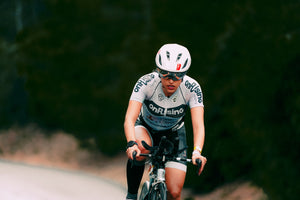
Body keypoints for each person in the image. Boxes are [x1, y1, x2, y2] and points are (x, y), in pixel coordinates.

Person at [124, 43, 207, 200]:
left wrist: (197, 151)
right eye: (166, 75)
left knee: (174, 193)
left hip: (174, 134)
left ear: (184, 75)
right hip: (146, 128)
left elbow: (198, 125)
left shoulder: (192, 88)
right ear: (158, 72)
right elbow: (130, 118)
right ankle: (131, 195)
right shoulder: (146, 82)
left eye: (177, 76)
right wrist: (131, 143)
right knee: (140, 149)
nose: (171, 81)